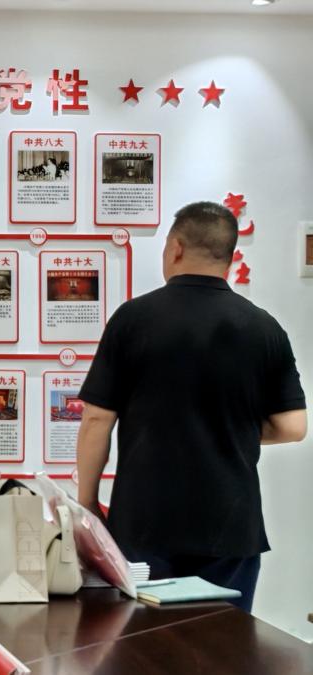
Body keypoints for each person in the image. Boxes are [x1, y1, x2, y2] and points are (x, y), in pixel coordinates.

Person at [76, 201, 307, 612]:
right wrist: (230, 427)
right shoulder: (264, 328)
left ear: (176, 248)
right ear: (230, 257)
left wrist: (88, 502)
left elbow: (96, 419)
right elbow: (293, 426)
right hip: (231, 525)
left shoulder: (132, 319)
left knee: (142, 643)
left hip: (144, 522)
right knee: (222, 641)